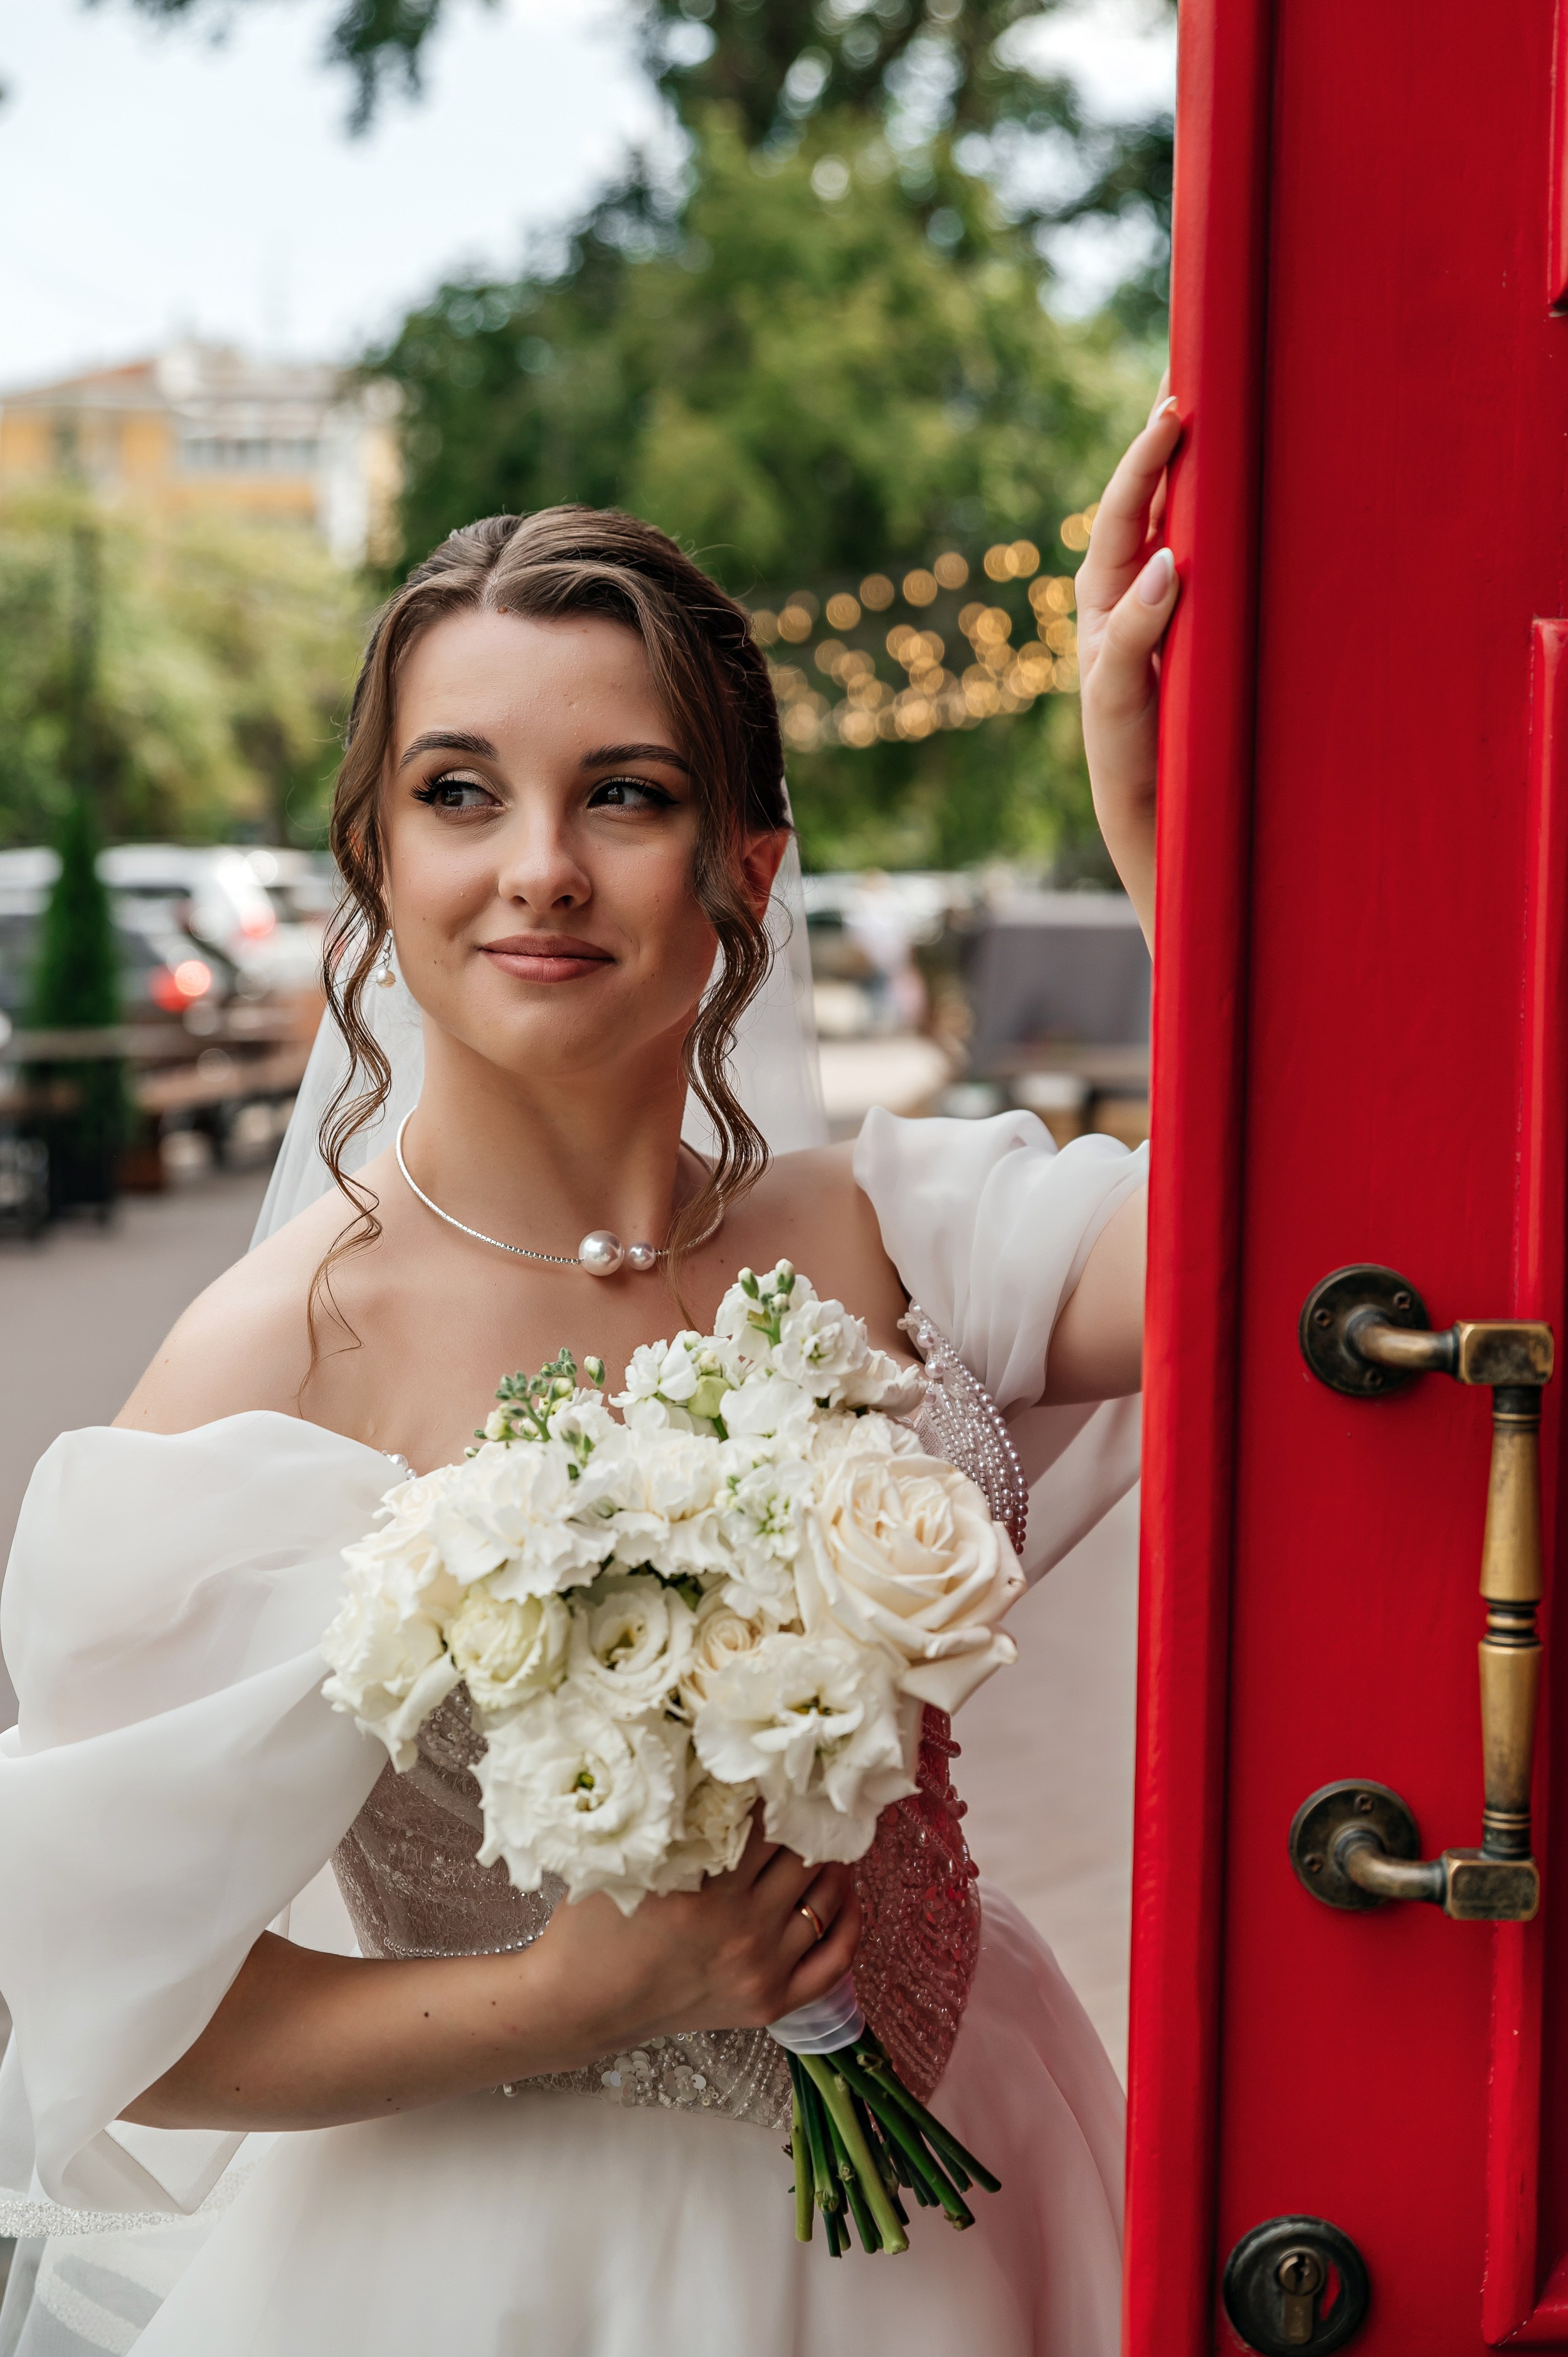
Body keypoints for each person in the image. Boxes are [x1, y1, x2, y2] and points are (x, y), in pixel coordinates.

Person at [0, 393, 1183, 2357]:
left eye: (622, 795)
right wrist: (564, 1998)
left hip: (968, 2196)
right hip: (492, 2273)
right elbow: (100, 2008)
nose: (539, 866)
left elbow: (1304, 1257)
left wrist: (1165, 844)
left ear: (746, 869)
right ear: (376, 859)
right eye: (460, 794)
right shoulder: (275, 1360)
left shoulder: (900, 1231)